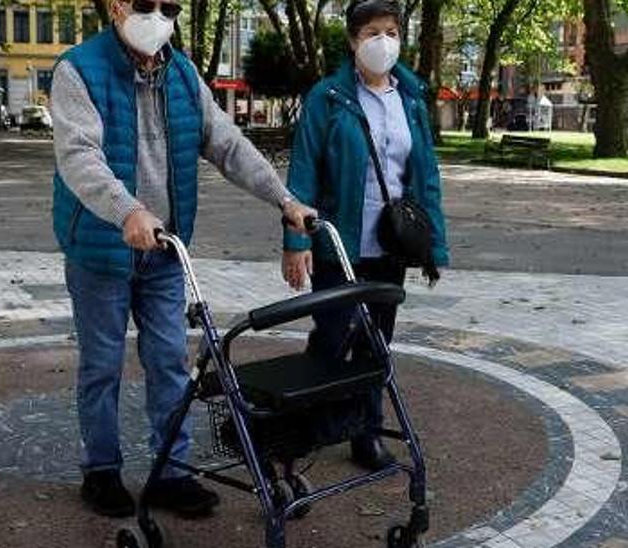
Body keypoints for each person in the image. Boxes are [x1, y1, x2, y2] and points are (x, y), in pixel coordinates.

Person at [50, 0, 315, 519]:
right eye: (146, 4)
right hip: (102, 250)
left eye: (169, 5)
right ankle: (101, 470)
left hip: (166, 252)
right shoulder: (78, 69)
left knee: (170, 361)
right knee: (102, 365)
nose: (158, 14)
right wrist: (127, 210)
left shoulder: (183, 73)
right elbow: (79, 155)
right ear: (116, 5)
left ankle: (172, 472)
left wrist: (285, 201)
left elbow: (227, 144)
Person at [281, 0, 448, 471]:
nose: (383, 42)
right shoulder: (328, 97)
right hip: (338, 242)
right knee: (333, 337)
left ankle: (366, 431)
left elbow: (426, 176)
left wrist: (433, 245)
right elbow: (302, 173)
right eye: (372, 32)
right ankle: (310, 425)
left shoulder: (410, 98)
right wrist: (296, 243)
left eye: (392, 31)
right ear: (353, 40)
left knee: (377, 342)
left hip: (391, 244)